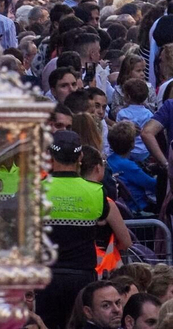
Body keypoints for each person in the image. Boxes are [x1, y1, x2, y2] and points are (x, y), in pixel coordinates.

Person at [38, 130, 132, 329]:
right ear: (80, 156)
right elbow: (121, 235)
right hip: (82, 277)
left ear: (50, 155)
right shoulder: (96, 191)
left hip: (46, 276)